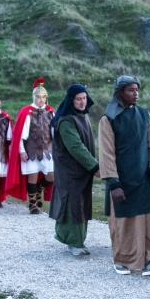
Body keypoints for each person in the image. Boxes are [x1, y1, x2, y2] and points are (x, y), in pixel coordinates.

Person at [98, 75, 150, 276]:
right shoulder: (108, 119)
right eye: (130, 90)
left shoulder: (144, 115)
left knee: (146, 220)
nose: (135, 93)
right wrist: (113, 182)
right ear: (120, 93)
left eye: (137, 90)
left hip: (142, 179)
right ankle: (123, 260)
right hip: (121, 180)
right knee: (124, 222)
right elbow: (106, 152)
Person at [49, 84, 100, 256]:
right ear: (71, 100)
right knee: (73, 204)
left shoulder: (83, 117)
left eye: (84, 98)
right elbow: (76, 147)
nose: (82, 102)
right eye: (78, 99)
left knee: (81, 203)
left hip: (82, 170)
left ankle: (79, 240)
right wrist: (94, 166)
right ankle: (73, 241)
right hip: (70, 171)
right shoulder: (65, 121)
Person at [7, 78, 56, 214]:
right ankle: (33, 204)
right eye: (39, 97)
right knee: (32, 176)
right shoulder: (26, 112)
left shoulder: (51, 111)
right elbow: (21, 135)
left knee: (52, 176)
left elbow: (54, 133)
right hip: (31, 150)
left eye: (43, 97)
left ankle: (39, 189)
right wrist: (22, 151)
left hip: (48, 150)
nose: (41, 100)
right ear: (34, 97)